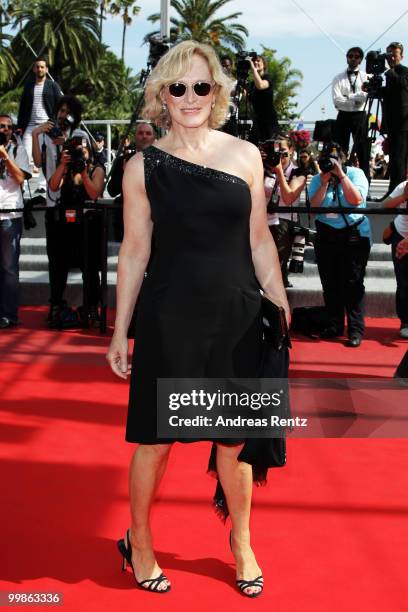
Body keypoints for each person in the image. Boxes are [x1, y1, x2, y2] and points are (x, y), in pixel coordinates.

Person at [106, 40, 289, 597]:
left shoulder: (246, 155)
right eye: (177, 87)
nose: (190, 97)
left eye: (201, 86)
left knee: (234, 441)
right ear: (162, 94)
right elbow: (135, 251)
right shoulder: (142, 166)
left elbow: (259, 238)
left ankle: (241, 542)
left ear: (218, 93)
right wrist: (120, 328)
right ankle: (139, 541)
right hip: (171, 319)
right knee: (158, 441)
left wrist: (279, 304)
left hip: (236, 315)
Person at [31, 95, 88, 328]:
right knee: (55, 260)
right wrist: (36, 134)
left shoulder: (80, 136)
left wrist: (66, 143)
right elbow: (37, 163)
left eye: (67, 111)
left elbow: (80, 166)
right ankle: (56, 303)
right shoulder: (46, 137)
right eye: (60, 111)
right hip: (53, 205)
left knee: (83, 260)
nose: (63, 115)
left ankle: (89, 307)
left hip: (75, 204)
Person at [309, 143, 371, 347]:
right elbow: (315, 205)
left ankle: (355, 330)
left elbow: (355, 200)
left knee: (352, 283)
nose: (330, 163)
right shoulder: (319, 178)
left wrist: (341, 176)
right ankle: (335, 325)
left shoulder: (356, 174)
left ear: (343, 160)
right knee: (330, 282)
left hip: (353, 233)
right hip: (326, 233)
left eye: (334, 160)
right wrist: (325, 182)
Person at [48, 136, 105, 326]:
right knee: (59, 266)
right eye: (76, 150)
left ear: (90, 149)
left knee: (90, 269)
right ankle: (56, 305)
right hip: (65, 224)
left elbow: (94, 193)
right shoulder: (66, 168)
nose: (80, 152)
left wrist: (84, 173)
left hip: (88, 225)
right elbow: (53, 186)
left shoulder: (96, 169)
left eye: (83, 149)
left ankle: (91, 308)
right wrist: (63, 166)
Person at [262, 136, 307, 287]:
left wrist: (279, 172)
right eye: (276, 151)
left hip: (283, 223)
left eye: (283, 151)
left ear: (291, 151)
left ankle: (278, 303)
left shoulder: (298, 172)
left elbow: (288, 198)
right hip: (262, 220)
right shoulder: (263, 168)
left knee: (277, 266)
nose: (279, 155)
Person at [0, 114, 31, 329]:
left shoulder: (18, 150)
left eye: (9, 127)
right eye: (1, 126)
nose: (5, 130)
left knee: (9, 268)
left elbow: (20, 178)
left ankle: (8, 314)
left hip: (10, 216)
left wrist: (4, 156)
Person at [17, 56, 62, 190]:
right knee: (24, 152)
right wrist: (20, 126)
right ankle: (23, 184)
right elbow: (23, 107)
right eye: (37, 66)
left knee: (45, 155)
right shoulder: (29, 86)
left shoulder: (52, 85)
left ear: (46, 69)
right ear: (33, 69)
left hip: (46, 125)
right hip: (30, 126)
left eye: (42, 67)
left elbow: (60, 105)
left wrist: (54, 122)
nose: (40, 69)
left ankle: (42, 184)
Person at [332, 47, 369, 177]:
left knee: (363, 150)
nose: (353, 59)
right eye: (350, 56)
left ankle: (365, 182)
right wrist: (355, 99)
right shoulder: (338, 78)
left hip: (360, 115)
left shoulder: (366, 77)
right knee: (340, 149)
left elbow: (365, 96)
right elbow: (336, 101)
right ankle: (339, 178)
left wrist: (347, 97)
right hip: (343, 115)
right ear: (347, 57)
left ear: (360, 60)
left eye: (356, 56)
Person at [381, 42, 408, 193]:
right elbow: (392, 94)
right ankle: (394, 192)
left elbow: (402, 85)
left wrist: (389, 71)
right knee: (394, 161)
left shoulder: (404, 71)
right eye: (388, 54)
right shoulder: (390, 74)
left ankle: (397, 194)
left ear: (401, 56)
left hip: (404, 124)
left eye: (394, 55)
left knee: (399, 161)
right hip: (393, 123)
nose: (391, 58)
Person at [384, 180, 408, 338]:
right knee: (404, 282)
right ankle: (405, 321)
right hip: (400, 234)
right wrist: (404, 196)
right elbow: (386, 205)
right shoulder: (403, 185)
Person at [248, 55, 279, 144]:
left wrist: (253, 69)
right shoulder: (252, 84)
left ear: (264, 65)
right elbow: (250, 99)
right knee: (253, 146)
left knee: (269, 148)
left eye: (258, 61)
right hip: (257, 120)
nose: (255, 63)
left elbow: (261, 85)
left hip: (269, 121)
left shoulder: (267, 77)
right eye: (254, 62)